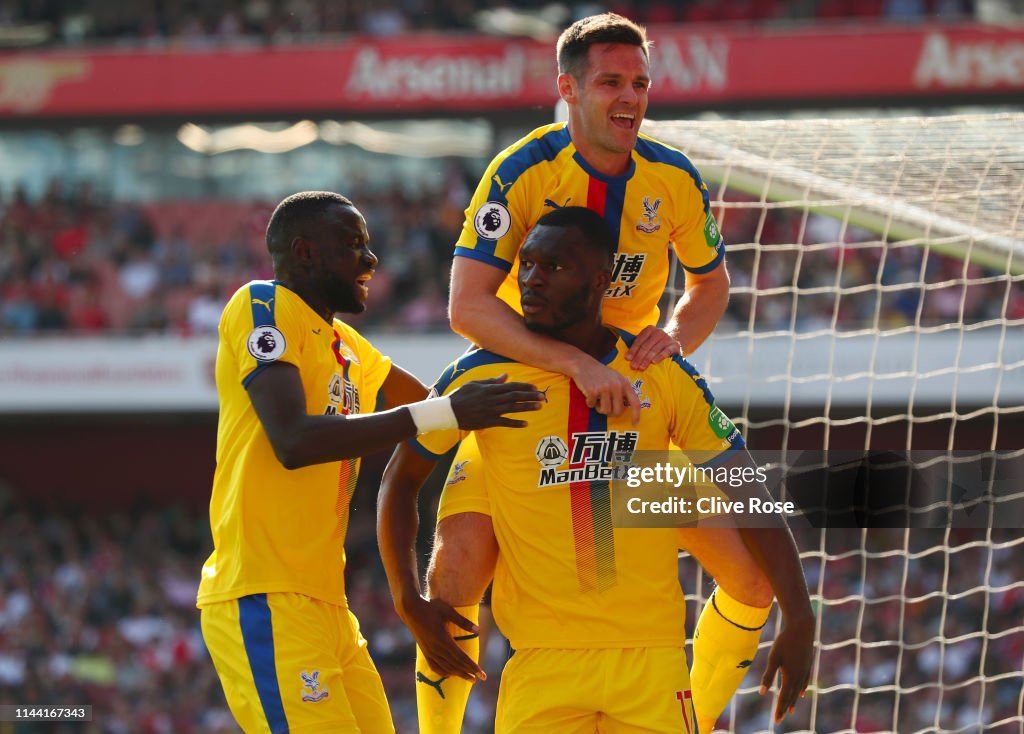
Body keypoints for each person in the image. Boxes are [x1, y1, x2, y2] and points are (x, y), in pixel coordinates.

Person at [402, 12, 807, 733]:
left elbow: (710, 285)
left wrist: (671, 341)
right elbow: (467, 306)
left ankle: (691, 717)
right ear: (567, 88)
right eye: (611, 81)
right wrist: (576, 364)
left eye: (641, 82)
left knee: (750, 575)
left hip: (628, 408)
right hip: (522, 398)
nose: (630, 97)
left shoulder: (671, 177)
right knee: (456, 568)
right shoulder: (522, 171)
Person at [378, 207, 814, 733]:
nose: (532, 279)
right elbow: (400, 478)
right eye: (529, 264)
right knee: (455, 569)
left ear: (600, 280)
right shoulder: (481, 373)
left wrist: (800, 614)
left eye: (555, 267)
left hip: (650, 664)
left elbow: (744, 481)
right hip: (543, 665)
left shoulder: (658, 372)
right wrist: (406, 596)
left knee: (746, 573)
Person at [196, 191, 543, 733]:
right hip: (262, 594)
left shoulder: (350, 346)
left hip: (329, 606)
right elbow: (294, 440)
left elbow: (433, 410)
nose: (371, 258)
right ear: (306, 252)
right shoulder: (261, 305)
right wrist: (442, 410)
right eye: (354, 244)